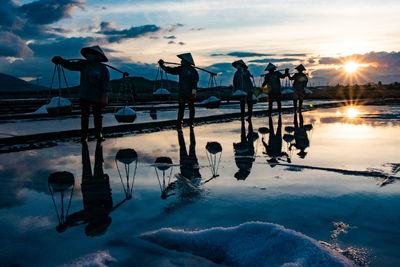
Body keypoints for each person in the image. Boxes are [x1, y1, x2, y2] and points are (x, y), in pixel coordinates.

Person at [52, 45, 110, 142]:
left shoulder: (102, 68)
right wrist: (61, 60)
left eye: (90, 54)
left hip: (97, 95)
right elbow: (70, 65)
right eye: (87, 54)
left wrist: (104, 96)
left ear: (97, 56)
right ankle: (84, 136)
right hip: (85, 94)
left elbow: (105, 83)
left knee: (98, 116)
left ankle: (99, 134)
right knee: (84, 116)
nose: (88, 55)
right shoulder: (83, 65)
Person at [66, 140, 113, 236]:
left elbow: (76, 217)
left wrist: (69, 223)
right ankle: (91, 144)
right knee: (89, 164)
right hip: (91, 186)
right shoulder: (94, 215)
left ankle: (94, 144)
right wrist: (69, 222)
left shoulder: (105, 211)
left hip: (98, 185)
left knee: (96, 163)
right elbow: (74, 217)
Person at [158, 53, 199, 128]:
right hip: (182, 93)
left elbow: (194, 84)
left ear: (186, 61)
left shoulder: (193, 71)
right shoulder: (181, 69)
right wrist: (162, 65)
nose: (181, 62)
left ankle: (191, 123)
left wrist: (193, 94)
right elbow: (170, 70)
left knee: (191, 108)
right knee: (181, 108)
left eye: (182, 60)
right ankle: (179, 123)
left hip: (190, 94)